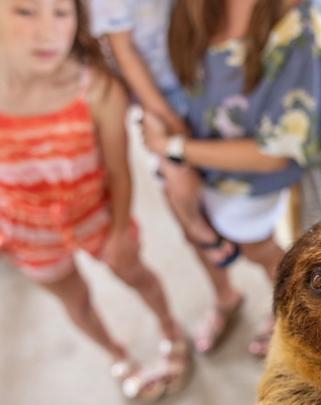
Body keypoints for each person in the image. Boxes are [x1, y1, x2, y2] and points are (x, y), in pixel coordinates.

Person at [0, 0, 190, 400]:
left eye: (61, 12)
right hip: (25, 230)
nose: (47, 30)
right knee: (76, 301)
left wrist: (120, 231)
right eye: (25, 12)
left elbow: (119, 171)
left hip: (97, 213)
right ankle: (118, 355)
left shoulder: (99, 89)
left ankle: (171, 330)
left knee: (136, 273)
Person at [142, 0, 321, 356]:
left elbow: (274, 154)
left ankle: (292, 312)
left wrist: (176, 149)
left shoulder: (304, 27)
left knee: (255, 246)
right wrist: (164, 134)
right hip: (187, 144)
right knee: (195, 231)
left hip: (243, 176)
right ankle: (226, 299)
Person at [89, 0, 237, 266]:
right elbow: (125, 54)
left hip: (199, 70)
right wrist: (168, 118)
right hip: (158, 94)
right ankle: (196, 227)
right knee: (178, 175)